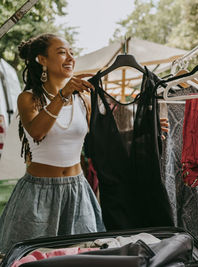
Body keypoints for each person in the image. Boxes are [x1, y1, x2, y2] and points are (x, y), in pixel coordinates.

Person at [0, 33, 169, 255]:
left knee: (83, 256)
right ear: (42, 59)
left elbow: (107, 137)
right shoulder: (29, 98)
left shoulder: (83, 99)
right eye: (61, 52)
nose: (70, 57)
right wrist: (64, 93)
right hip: (38, 194)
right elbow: (37, 131)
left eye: (71, 52)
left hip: (78, 191)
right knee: (34, 258)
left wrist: (149, 132)